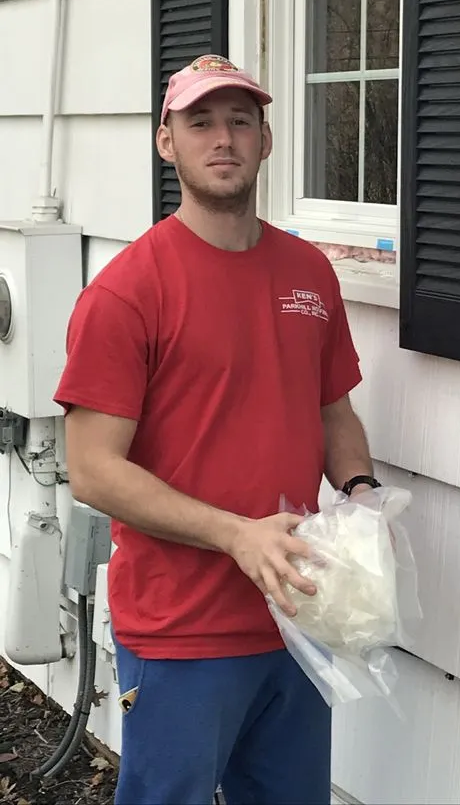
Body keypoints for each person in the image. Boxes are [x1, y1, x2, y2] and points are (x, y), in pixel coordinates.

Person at [53, 53, 381, 805]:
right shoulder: (128, 292)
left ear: (266, 140)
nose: (222, 138)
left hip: (297, 619)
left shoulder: (309, 274)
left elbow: (334, 411)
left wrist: (361, 495)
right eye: (200, 121)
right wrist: (238, 534)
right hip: (181, 634)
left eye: (240, 121)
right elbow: (95, 470)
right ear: (167, 142)